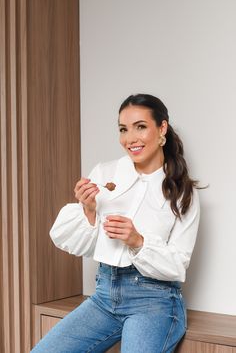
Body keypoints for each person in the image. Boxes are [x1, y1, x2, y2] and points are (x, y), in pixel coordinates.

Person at [31, 94, 200, 353]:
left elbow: (178, 265)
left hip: (154, 301)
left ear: (162, 128)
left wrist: (138, 242)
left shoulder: (183, 191)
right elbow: (80, 244)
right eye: (123, 129)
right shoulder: (104, 173)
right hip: (104, 295)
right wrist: (88, 211)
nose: (130, 138)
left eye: (140, 127)